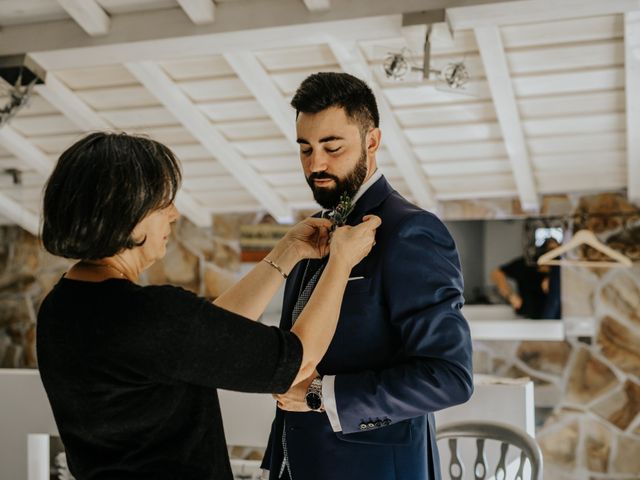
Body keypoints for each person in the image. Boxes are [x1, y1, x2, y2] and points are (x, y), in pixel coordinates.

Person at [36, 131, 380, 480]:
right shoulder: (151, 316)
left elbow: (206, 335)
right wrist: (342, 261)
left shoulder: (59, 307)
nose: (174, 214)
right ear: (128, 213)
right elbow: (298, 359)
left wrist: (287, 253)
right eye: (162, 203)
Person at [260, 73, 474, 480]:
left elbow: (450, 376)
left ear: (371, 142)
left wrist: (323, 395)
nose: (315, 164)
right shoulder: (315, 232)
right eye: (305, 149)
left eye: (331, 147)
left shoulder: (412, 232)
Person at [490, 238, 561, 319]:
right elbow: (496, 273)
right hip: (526, 317)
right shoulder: (525, 264)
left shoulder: (558, 268)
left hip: (554, 318)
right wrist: (510, 295)